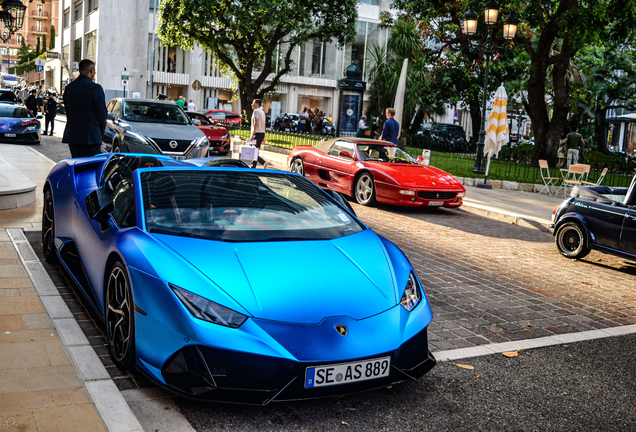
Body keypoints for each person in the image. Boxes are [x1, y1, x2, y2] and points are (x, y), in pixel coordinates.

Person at [62, 59, 107, 158]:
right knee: (89, 168)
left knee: (76, 164)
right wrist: (99, 134)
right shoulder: (95, 88)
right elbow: (102, 115)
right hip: (91, 136)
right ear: (92, 70)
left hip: (73, 134)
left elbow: (68, 111)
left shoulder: (69, 88)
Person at [250, 99, 267, 168]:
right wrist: (264, 136)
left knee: (253, 150)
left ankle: (263, 162)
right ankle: (253, 166)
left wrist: (253, 134)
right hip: (261, 133)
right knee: (256, 150)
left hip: (257, 133)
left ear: (257, 104)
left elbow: (256, 122)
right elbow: (264, 124)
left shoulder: (256, 111)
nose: (252, 105)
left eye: (253, 103)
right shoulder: (262, 112)